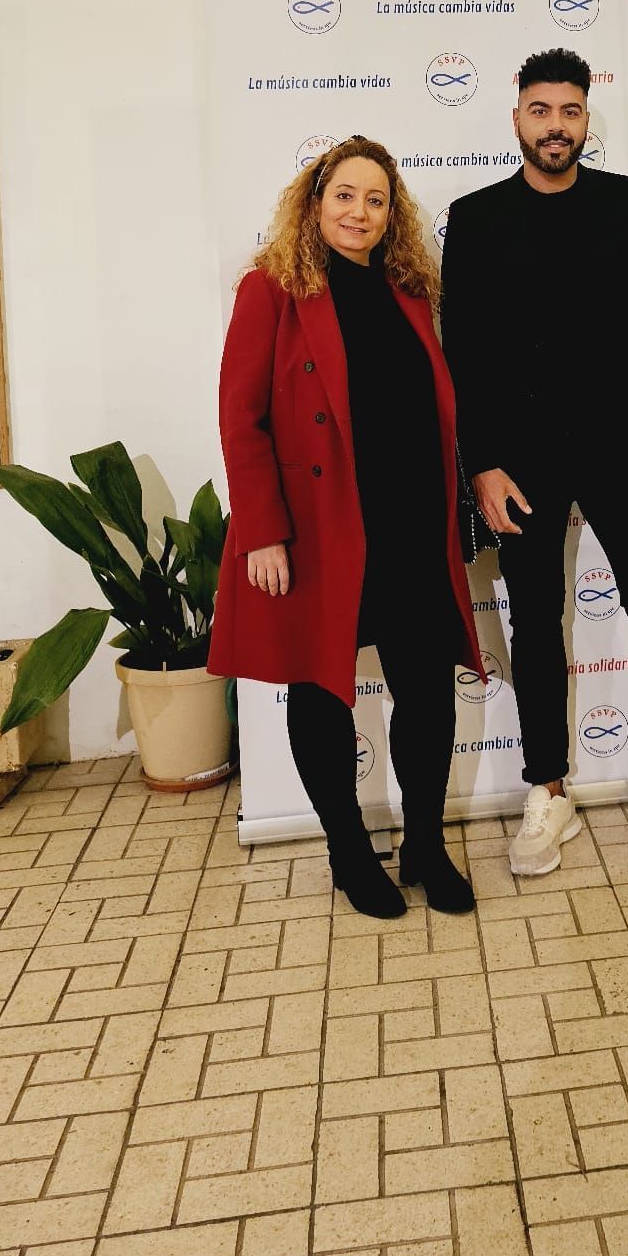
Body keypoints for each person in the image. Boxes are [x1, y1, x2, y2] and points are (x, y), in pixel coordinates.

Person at [441, 48, 628, 876]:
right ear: (517, 118)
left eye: (569, 111)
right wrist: (482, 464)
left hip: (625, 447)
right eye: (541, 110)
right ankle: (547, 792)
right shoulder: (477, 217)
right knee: (534, 626)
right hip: (522, 460)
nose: (555, 126)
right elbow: (465, 355)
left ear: (586, 120)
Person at [207, 138, 484, 920]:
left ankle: (424, 845)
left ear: (392, 215)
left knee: (426, 691)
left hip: (411, 523)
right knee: (320, 690)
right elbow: (240, 418)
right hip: (318, 528)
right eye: (346, 195)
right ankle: (348, 853)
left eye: (376, 200)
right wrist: (262, 530)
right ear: (315, 200)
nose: (360, 212)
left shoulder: (406, 290)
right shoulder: (270, 288)